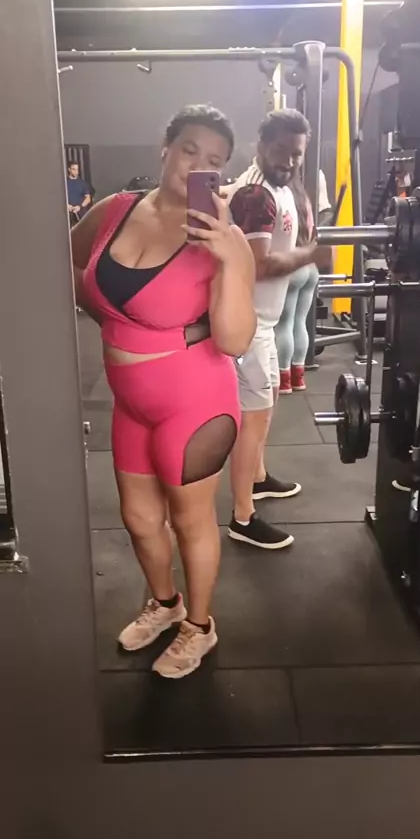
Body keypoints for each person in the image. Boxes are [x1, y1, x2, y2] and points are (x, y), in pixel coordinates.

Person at [71, 105, 256, 678]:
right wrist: (116, 323)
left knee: (189, 520)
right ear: (165, 148)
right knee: (138, 518)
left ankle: (199, 627)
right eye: (189, 150)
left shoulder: (225, 240)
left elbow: (234, 340)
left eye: (214, 161)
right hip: (131, 400)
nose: (198, 165)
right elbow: (68, 265)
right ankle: (165, 603)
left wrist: (229, 261)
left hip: (195, 400)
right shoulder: (115, 210)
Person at [226, 109, 332, 551]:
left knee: (266, 406)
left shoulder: (282, 187)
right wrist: (312, 255)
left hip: (265, 322)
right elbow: (260, 264)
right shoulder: (255, 194)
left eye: (296, 154)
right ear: (261, 145)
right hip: (246, 324)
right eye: (280, 150)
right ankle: (242, 516)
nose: (288, 160)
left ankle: (258, 476)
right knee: (252, 418)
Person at [275, 169, 331, 394]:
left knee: (284, 324)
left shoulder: (280, 198)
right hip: (310, 268)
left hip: (294, 265)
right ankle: (298, 378)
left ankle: (283, 380)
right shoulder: (304, 198)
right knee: (299, 322)